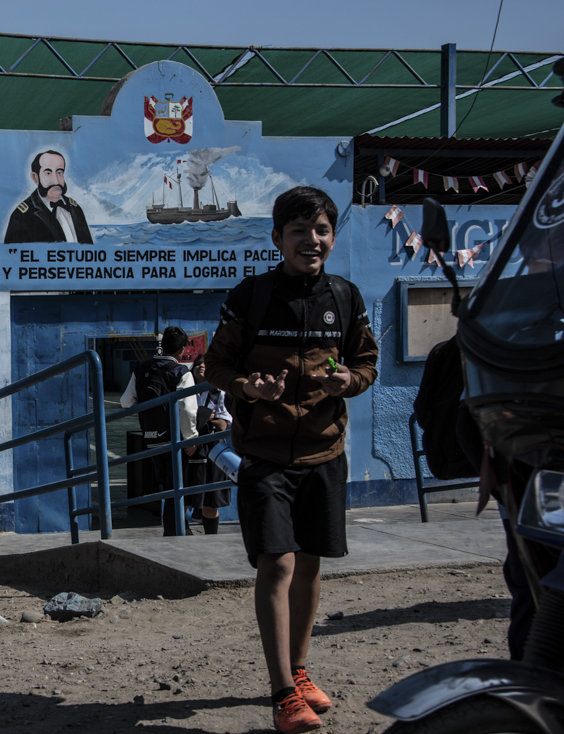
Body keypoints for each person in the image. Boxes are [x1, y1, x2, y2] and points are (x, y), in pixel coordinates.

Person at [204, 186, 379, 734]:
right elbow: (215, 366)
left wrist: (348, 380)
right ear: (277, 237)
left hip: (325, 452)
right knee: (276, 562)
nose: (312, 240)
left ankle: (300, 672)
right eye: (299, 231)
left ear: (332, 236)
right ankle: (283, 693)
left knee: (308, 564)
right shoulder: (252, 296)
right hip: (264, 454)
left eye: (322, 229)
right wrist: (247, 387)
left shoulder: (346, 297)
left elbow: (367, 364)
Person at [120, 326, 198, 536]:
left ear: (162, 347)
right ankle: (175, 530)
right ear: (182, 349)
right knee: (178, 487)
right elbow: (188, 409)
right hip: (174, 440)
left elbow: (126, 402)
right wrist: (190, 439)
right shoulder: (181, 372)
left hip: (151, 439)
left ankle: (175, 528)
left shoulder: (142, 369)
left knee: (166, 487)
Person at [4, 150, 93, 244]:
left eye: (59, 172)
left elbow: (89, 250)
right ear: (35, 177)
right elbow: (13, 255)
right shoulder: (21, 216)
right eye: (48, 173)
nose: (56, 181)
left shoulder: (75, 208)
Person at [187, 354, 232, 535]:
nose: (201, 366)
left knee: (211, 501)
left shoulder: (219, 392)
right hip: (189, 448)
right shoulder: (185, 390)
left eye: (205, 363)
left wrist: (199, 415)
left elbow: (222, 425)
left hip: (212, 449)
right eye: (198, 363)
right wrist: (207, 415)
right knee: (184, 497)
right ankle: (181, 531)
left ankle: (211, 535)